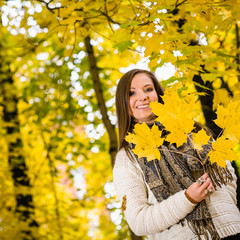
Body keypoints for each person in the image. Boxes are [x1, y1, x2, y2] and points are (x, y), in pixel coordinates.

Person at [113, 69, 240, 240]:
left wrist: (226, 211)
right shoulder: (127, 157)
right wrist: (188, 199)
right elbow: (138, 221)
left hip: (232, 231)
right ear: (123, 103)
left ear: (158, 94)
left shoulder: (193, 130)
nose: (142, 96)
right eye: (131, 93)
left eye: (148, 89)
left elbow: (228, 177)